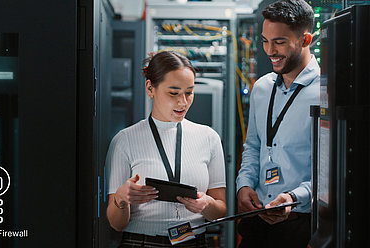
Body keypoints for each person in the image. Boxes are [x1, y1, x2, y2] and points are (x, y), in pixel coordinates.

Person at [106, 51, 227, 247]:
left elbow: (220, 210)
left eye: (189, 92)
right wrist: (121, 198)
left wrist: (207, 204)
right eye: (173, 93)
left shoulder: (209, 138)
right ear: (150, 88)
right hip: (141, 242)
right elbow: (116, 224)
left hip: (193, 241)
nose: (183, 102)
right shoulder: (125, 140)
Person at [236, 0, 319, 247]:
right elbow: (253, 146)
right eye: (265, 40)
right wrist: (244, 185)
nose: (269, 50)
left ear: (306, 40)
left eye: (279, 42)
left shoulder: (327, 93)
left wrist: (294, 197)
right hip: (257, 219)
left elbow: (330, 172)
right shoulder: (261, 88)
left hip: (301, 222)